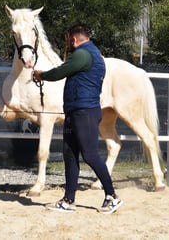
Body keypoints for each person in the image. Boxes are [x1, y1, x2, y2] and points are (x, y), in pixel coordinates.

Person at [33, 24, 123, 214]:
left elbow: (60, 72)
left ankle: (112, 196)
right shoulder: (90, 54)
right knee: (69, 153)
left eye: (68, 40)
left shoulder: (83, 54)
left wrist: (42, 75)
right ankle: (68, 200)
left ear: (73, 39)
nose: (68, 44)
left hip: (85, 113)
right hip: (75, 113)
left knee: (89, 154)